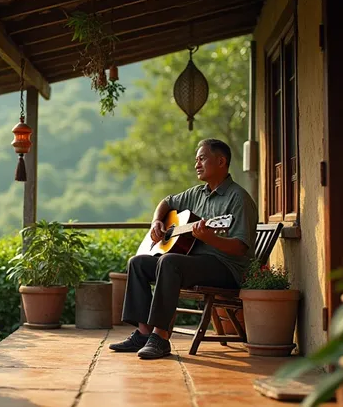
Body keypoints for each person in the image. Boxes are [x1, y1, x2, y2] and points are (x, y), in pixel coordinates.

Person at [108, 138, 258, 359]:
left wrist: (209, 238)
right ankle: (143, 333)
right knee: (137, 262)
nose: (197, 164)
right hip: (194, 262)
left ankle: (160, 338)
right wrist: (156, 221)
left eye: (202, 159)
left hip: (226, 267)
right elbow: (166, 202)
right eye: (196, 160)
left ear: (221, 161)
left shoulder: (238, 198)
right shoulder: (197, 193)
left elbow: (239, 248)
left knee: (169, 262)